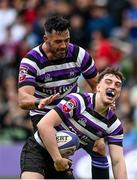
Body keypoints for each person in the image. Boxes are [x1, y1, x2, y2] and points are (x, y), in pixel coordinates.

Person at [18, 14, 108, 179]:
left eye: (66, 40)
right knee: (55, 160)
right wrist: (39, 101)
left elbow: (98, 87)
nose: (64, 45)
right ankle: (57, 168)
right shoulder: (31, 61)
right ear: (46, 38)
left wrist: (99, 117)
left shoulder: (79, 54)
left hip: (73, 112)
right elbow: (23, 99)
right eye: (58, 42)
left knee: (99, 146)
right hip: (44, 115)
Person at [36, 67, 127, 179]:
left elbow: (118, 161)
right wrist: (57, 159)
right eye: (108, 82)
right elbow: (43, 125)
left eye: (117, 85)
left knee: (100, 147)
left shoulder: (115, 126)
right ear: (98, 87)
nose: (113, 86)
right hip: (38, 150)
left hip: (63, 161)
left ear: (119, 93)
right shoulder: (78, 101)